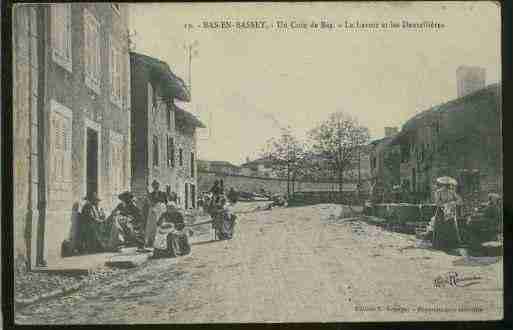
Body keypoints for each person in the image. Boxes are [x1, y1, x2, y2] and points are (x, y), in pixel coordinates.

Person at [430, 177, 463, 250]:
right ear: (443, 185)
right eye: (447, 185)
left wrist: (452, 203)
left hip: (450, 212)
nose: (448, 186)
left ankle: (451, 245)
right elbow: (437, 202)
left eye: (449, 185)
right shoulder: (438, 192)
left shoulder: (452, 192)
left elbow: (460, 201)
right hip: (441, 212)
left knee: (450, 227)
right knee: (441, 227)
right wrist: (445, 205)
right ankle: (440, 245)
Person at [144, 180, 168, 247]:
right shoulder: (151, 194)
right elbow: (150, 203)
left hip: (161, 211)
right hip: (153, 212)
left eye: (156, 185)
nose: (155, 187)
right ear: (152, 187)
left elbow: (166, 203)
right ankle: (151, 241)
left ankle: (161, 242)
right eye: (154, 186)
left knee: (161, 225)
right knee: (152, 226)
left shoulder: (163, 194)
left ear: (158, 186)